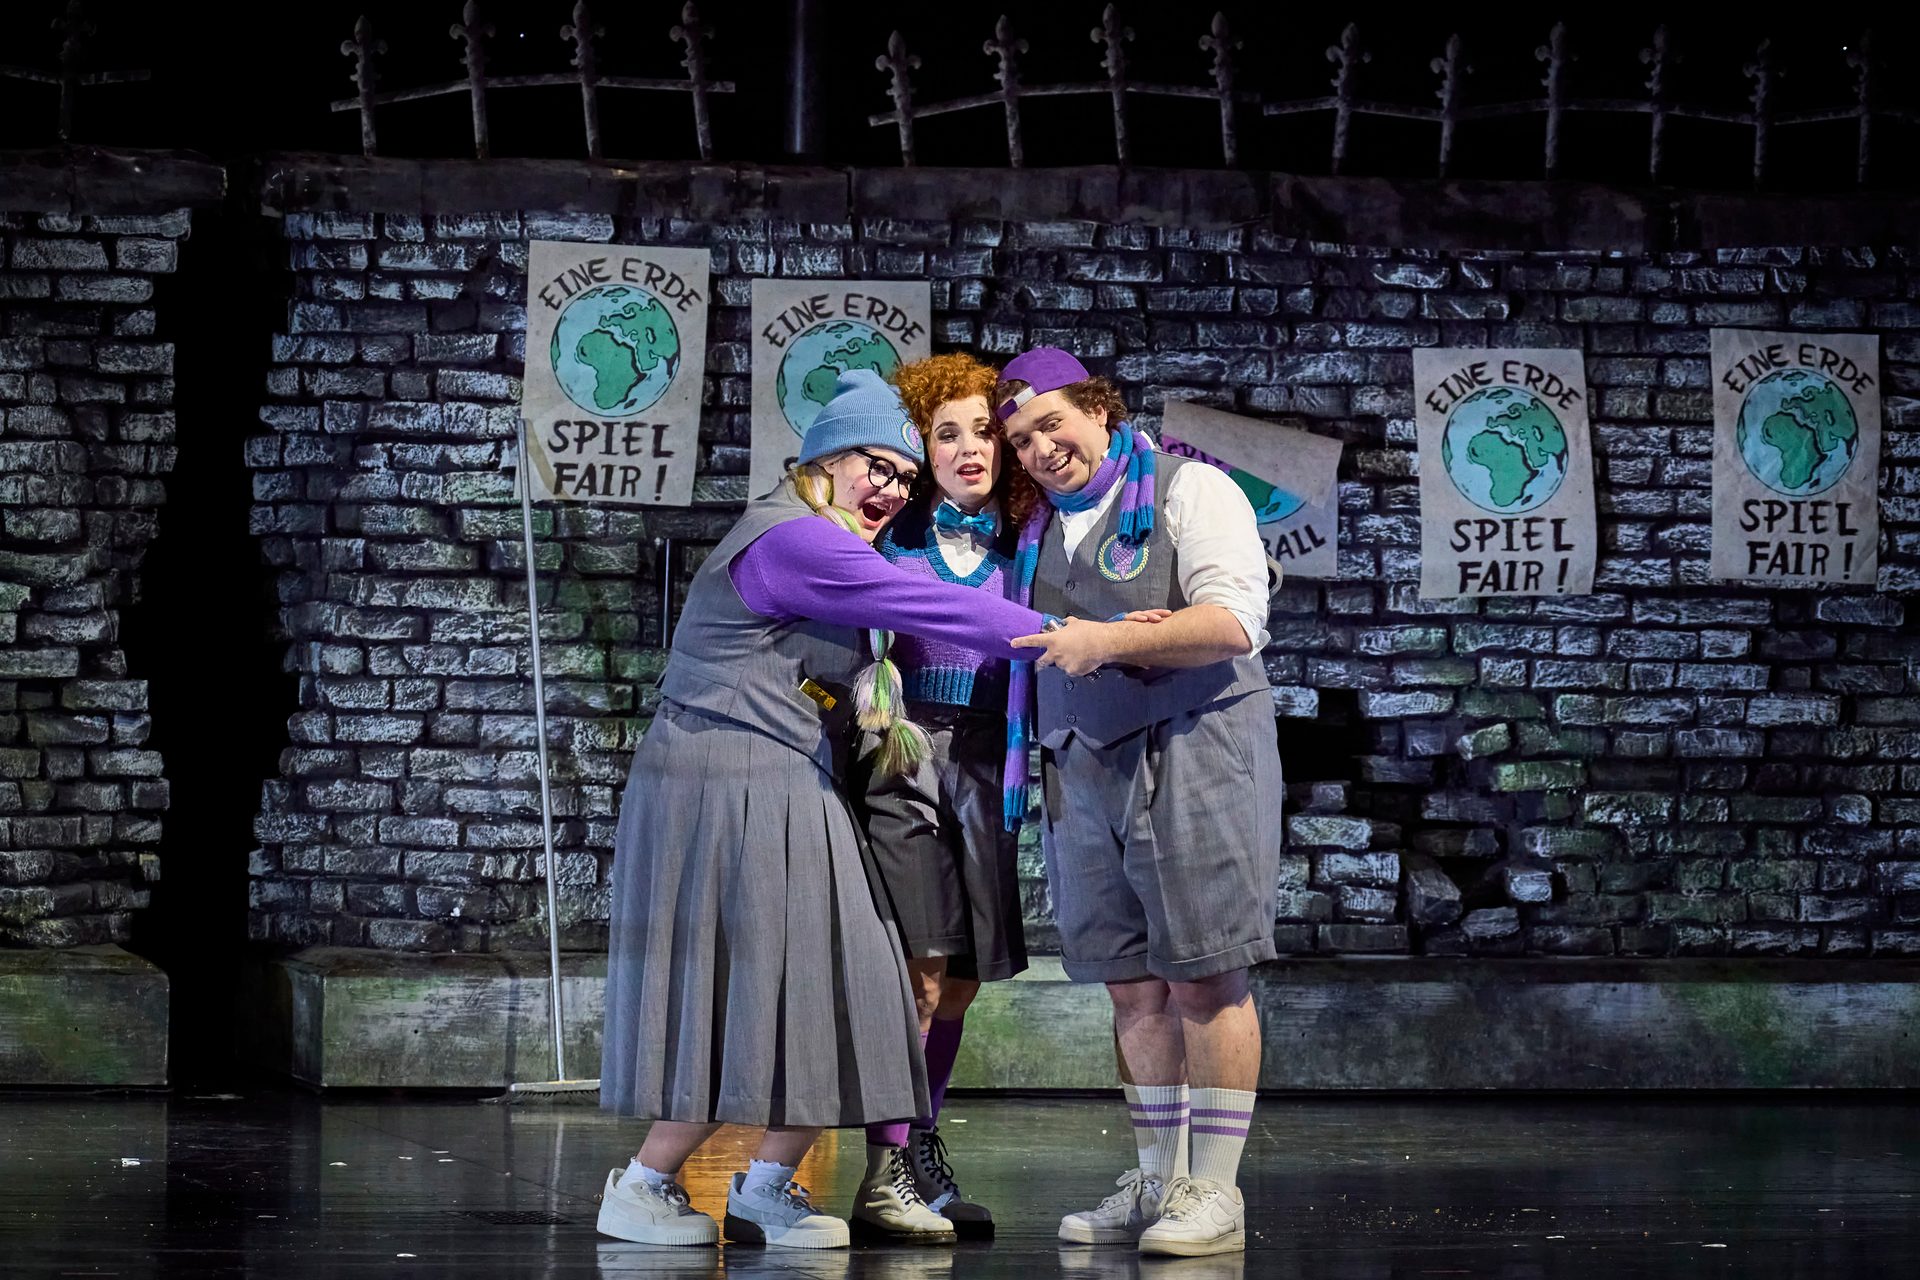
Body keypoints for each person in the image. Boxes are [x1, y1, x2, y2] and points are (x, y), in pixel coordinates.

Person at [596, 369, 1052, 1251]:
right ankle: (645, 1184)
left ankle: (769, 1184)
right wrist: (1070, 637)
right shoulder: (797, 538)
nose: (892, 490)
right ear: (825, 462)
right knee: (738, 986)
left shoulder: (828, 537)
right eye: (876, 467)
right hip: (726, 780)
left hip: (788, 777)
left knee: (845, 981)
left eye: (904, 479)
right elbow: (932, 606)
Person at [996, 348, 1284, 1258]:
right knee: (1130, 984)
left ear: (1099, 408)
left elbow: (1234, 622)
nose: (1041, 449)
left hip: (1191, 747)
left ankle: (1216, 1192)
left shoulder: (1192, 491)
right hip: (1082, 760)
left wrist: (1115, 639)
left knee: (1205, 973)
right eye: (1021, 440)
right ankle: (1160, 1178)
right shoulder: (1036, 529)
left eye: (1052, 423)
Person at [848, 353, 1041, 1240]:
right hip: (908, 755)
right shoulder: (891, 539)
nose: (969, 448)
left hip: (989, 764)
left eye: (983, 432)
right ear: (922, 449)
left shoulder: (1026, 544)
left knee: (962, 983)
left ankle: (921, 1148)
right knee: (921, 974)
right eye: (946, 433)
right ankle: (882, 1170)